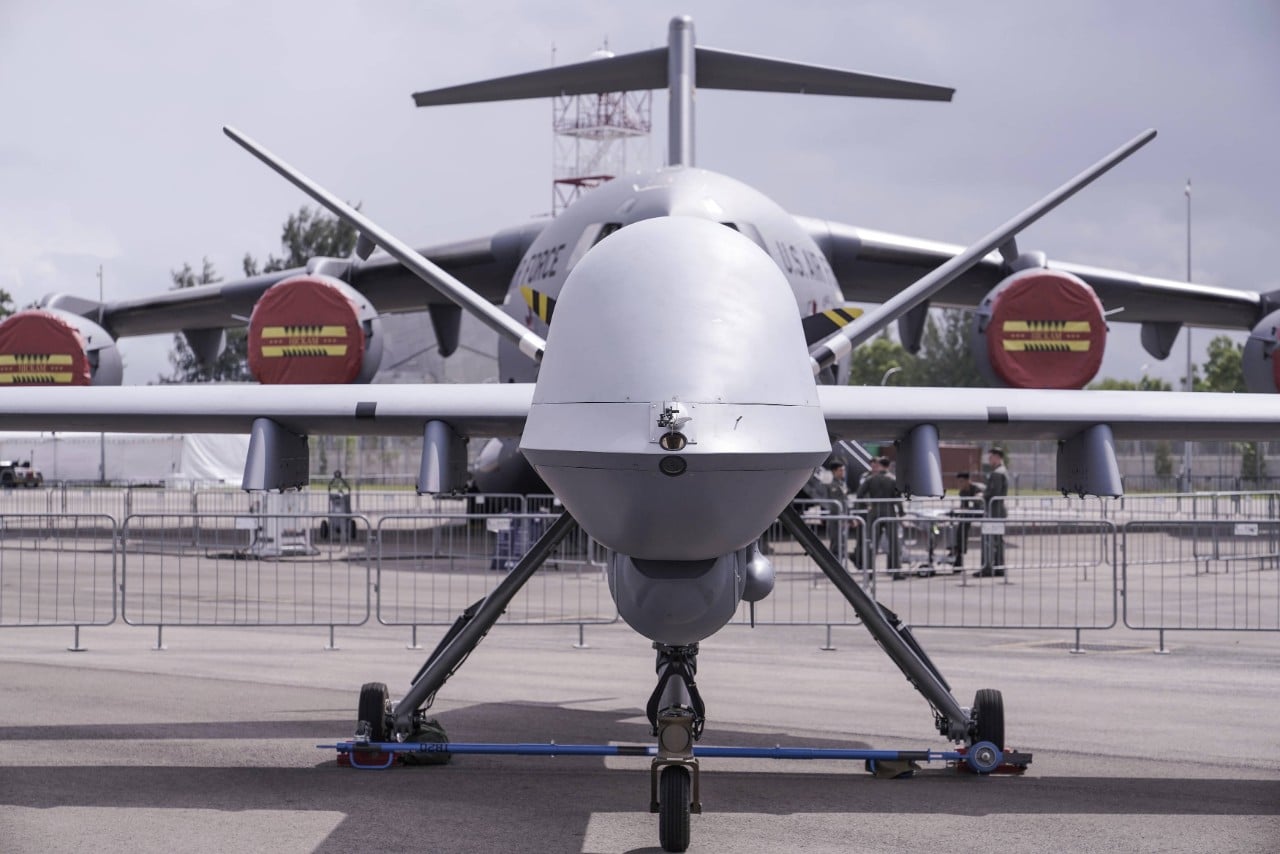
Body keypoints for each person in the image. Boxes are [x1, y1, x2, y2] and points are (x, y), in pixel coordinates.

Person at [855, 456, 903, 570]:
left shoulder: (871, 479)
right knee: (893, 543)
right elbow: (898, 498)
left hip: (874, 512)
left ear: (880, 465)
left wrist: (867, 505)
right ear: (889, 466)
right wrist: (901, 513)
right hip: (889, 512)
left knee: (872, 543)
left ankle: (869, 570)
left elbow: (859, 494)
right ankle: (895, 570)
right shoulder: (893, 480)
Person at [975, 449, 1009, 577]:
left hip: (993, 512)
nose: (989, 459)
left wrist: (982, 495)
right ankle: (999, 567)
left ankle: (987, 568)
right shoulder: (1002, 472)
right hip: (998, 511)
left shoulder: (997, 474)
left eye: (991, 457)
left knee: (988, 540)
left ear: (997, 457)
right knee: (998, 540)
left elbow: (994, 492)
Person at [950, 471, 983, 568]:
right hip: (973, 512)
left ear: (968, 481)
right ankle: (959, 552)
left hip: (985, 511)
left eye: (961, 482)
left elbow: (980, 501)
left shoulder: (976, 488)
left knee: (965, 519)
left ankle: (959, 551)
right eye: (958, 482)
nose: (959, 484)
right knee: (962, 525)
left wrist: (977, 497)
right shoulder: (963, 492)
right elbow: (964, 507)